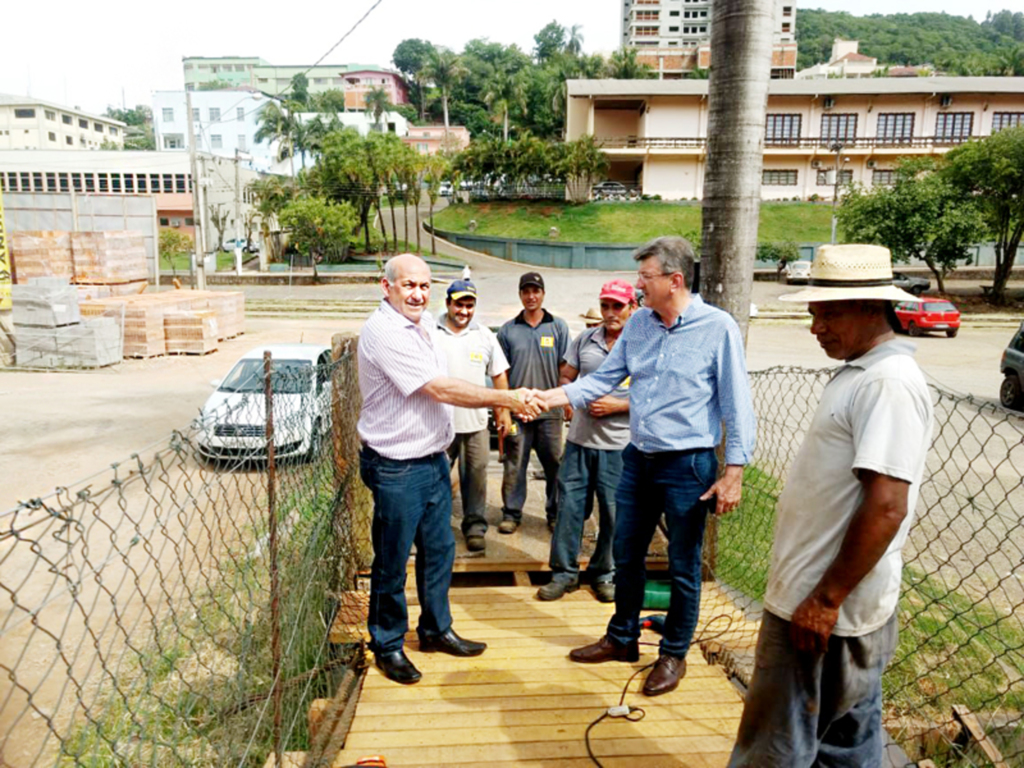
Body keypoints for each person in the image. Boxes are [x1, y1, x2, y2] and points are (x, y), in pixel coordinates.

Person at [728, 244, 933, 767]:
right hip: (823, 604)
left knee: (777, 747)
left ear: (872, 308)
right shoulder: (863, 372)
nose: (816, 328)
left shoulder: (887, 382)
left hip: (822, 610)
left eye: (829, 313)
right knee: (844, 746)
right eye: (813, 314)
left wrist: (825, 599)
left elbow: (887, 507)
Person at [530, 236, 756, 697]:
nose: (637, 287)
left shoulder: (718, 328)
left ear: (675, 281)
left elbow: (737, 404)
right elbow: (602, 380)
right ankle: (622, 637)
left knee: (683, 563)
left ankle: (673, 654)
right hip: (638, 460)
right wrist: (546, 398)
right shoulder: (639, 327)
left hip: (688, 464)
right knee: (626, 555)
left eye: (645, 277)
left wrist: (733, 471)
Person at [357, 254, 539, 686]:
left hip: (432, 459)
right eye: (408, 285)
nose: (418, 293)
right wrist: (506, 399)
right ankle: (387, 645)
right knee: (392, 560)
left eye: (424, 285)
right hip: (397, 466)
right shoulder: (385, 331)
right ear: (387, 288)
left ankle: (436, 630)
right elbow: (437, 387)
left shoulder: (421, 326)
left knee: (439, 551)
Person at [538, 280, 635, 604]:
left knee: (613, 513)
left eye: (617, 306)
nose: (610, 313)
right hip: (580, 441)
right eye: (605, 306)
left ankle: (604, 573)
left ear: (632, 307)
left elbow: (656, 395)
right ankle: (563, 574)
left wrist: (618, 405)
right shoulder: (585, 339)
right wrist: (568, 398)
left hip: (619, 446)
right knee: (570, 507)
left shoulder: (641, 344)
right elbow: (567, 375)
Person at [436, 279, 512, 553]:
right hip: (439, 424)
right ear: (448, 304)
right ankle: (437, 528)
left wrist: (503, 411)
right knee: (437, 479)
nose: (464, 311)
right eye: (459, 304)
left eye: (469, 306)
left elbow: (499, 374)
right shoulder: (431, 332)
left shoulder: (484, 335)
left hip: (476, 423)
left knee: (477, 477)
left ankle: (475, 527)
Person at [496, 271, 571, 534]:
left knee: (554, 462)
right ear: (520, 294)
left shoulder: (558, 327)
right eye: (526, 291)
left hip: (549, 411)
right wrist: (503, 408)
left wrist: (567, 400)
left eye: (535, 291)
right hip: (519, 412)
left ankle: (555, 512)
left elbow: (565, 369)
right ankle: (511, 513)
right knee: (515, 463)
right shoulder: (508, 330)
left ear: (542, 294)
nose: (531, 296)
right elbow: (500, 374)